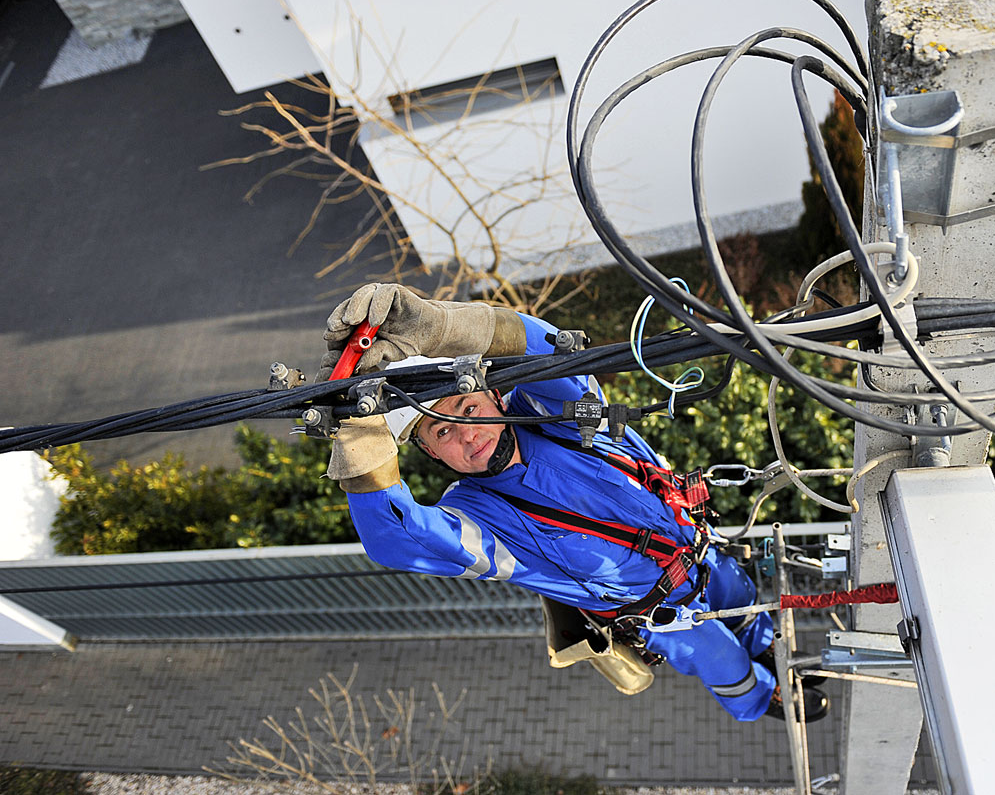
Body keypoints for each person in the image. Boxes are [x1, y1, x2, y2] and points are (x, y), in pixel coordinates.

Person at [318, 283, 827, 722]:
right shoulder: (477, 517)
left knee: (738, 598)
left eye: (468, 406)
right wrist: (360, 435)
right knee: (722, 661)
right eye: (444, 430)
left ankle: (767, 644)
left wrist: (438, 324)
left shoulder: (556, 414)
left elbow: (546, 348)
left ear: (496, 396)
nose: (468, 434)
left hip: (697, 546)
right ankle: (763, 697)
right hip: (662, 613)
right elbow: (398, 540)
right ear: (428, 452)